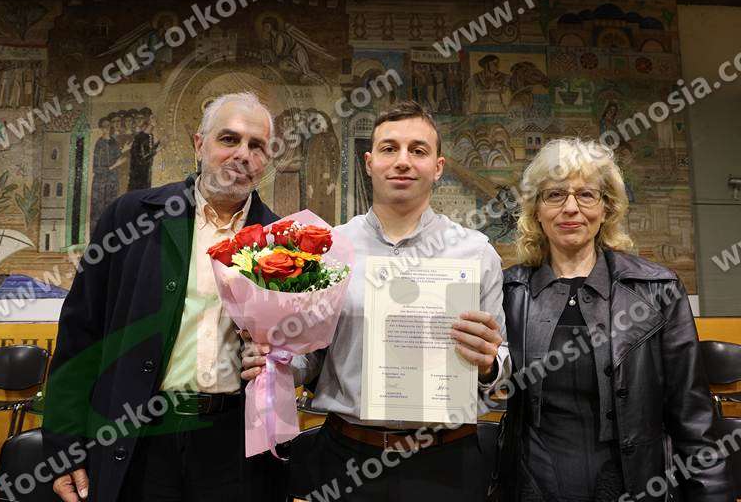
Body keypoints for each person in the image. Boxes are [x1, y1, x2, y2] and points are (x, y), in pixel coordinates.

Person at [243, 100, 510, 501]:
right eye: (389, 149)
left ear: (438, 166)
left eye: (418, 150)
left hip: (447, 462)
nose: (402, 161)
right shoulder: (328, 249)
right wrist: (272, 361)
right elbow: (310, 358)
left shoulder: (476, 253)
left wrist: (488, 364)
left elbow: (502, 370)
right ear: (369, 163)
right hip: (346, 457)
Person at [43, 92, 288, 501]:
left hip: (235, 444)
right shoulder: (131, 218)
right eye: (229, 139)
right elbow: (79, 335)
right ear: (199, 144)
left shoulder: (282, 240)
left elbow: (298, 347)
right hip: (139, 437)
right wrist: (64, 446)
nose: (243, 155)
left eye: (257, 146)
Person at [497, 138, 731, 501]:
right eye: (555, 195)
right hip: (532, 487)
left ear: (606, 208)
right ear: (536, 210)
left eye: (586, 195)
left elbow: (693, 417)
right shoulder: (509, 291)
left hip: (633, 487)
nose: (570, 208)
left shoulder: (658, 290)